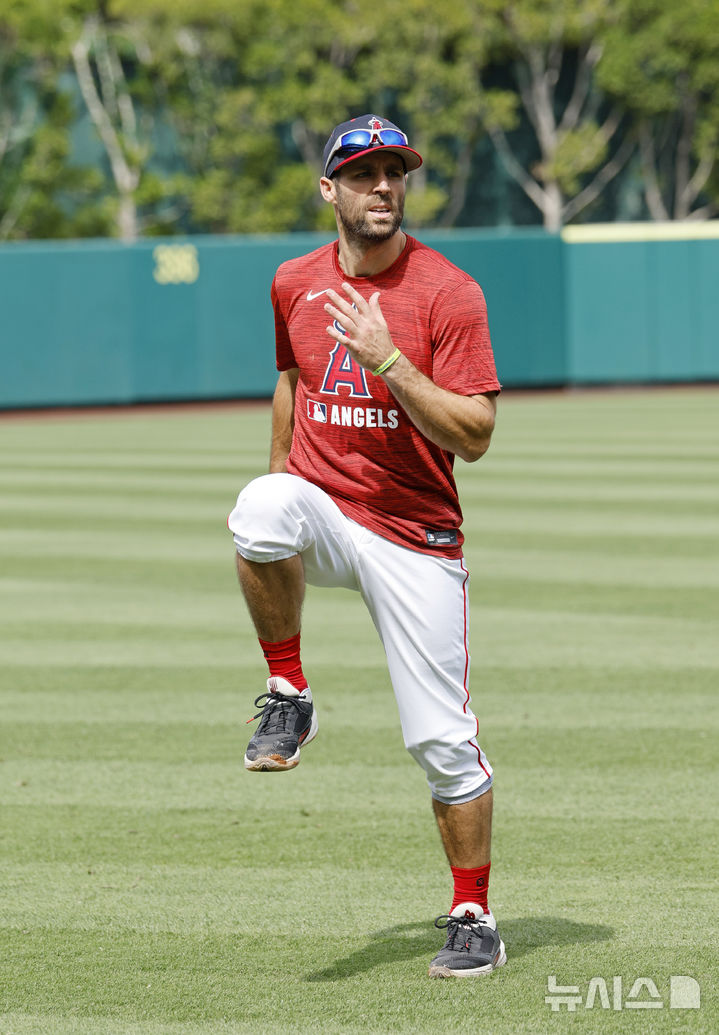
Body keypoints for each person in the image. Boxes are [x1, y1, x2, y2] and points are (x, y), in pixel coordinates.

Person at [227, 114, 505, 978]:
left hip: (414, 536)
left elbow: (476, 433)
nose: (381, 186)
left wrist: (391, 362)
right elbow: (291, 382)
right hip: (326, 505)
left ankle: (473, 912)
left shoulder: (446, 292)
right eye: (362, 173)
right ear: (330, 190)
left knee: (442, 744)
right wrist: (283, 485)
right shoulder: (293, 282)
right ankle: (289, 689)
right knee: (257, 509)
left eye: (394, 172)